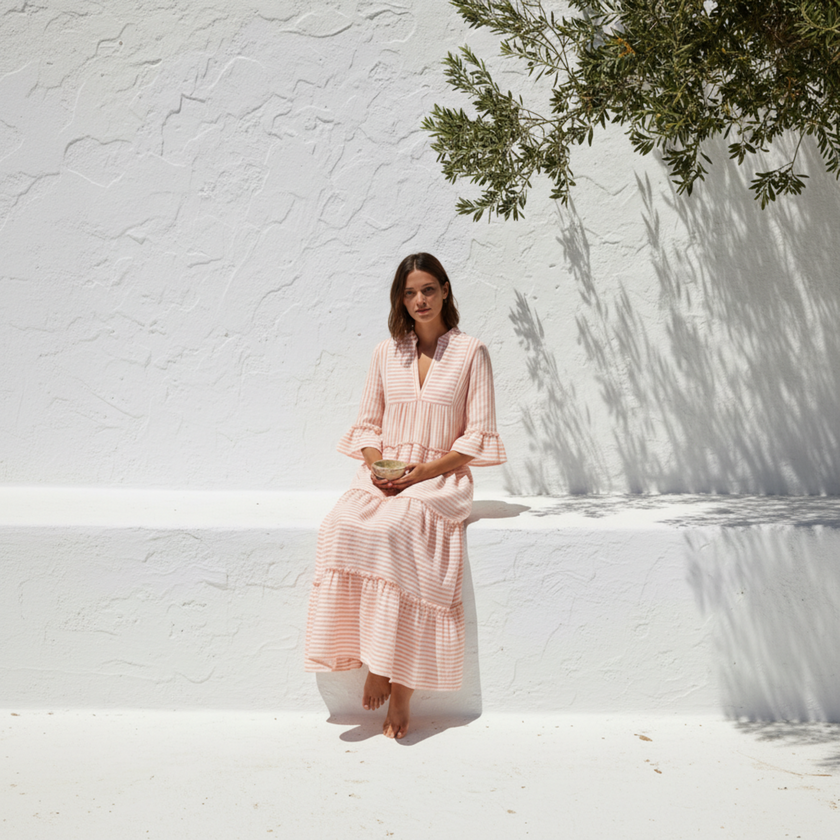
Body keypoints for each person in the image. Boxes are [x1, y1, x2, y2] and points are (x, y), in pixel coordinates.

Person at [304, 252, 506, 739]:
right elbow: (368, 424)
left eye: (429, 290)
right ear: (401, 298)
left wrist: (421, 474)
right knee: (341, 525)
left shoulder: (472, 352)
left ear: (446, 291)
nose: (420, 300)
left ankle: (400, 683)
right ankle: (374, 657)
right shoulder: (385, 353)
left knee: (399, 526)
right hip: (385, 470)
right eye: (410, 292)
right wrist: (377, 466)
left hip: (440, 475)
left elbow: (476, 436)